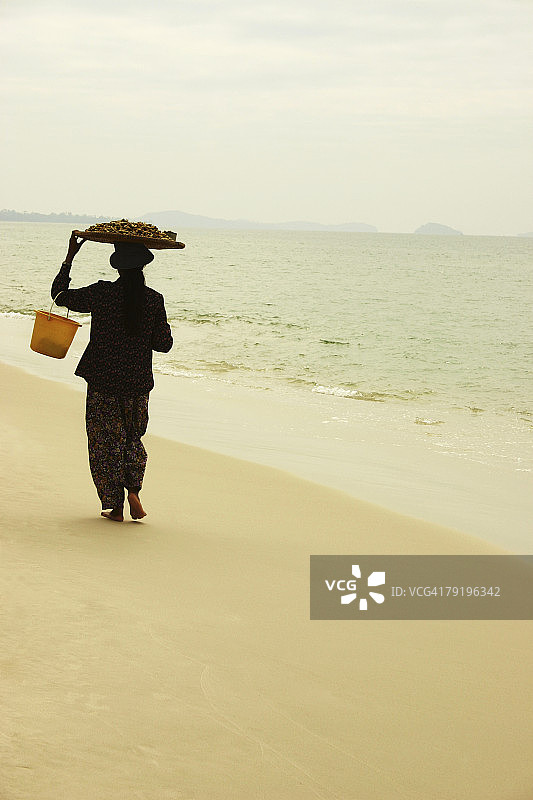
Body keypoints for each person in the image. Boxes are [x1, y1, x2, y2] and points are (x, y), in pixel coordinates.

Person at [51, 232, 173, 522]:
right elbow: (164, 344)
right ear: (143, 266)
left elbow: (59, 297)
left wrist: (70, 258)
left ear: (116, 266)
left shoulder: (102, 293)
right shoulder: (154, 300)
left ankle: (114, 505)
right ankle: (134, 490)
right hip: (137, 383)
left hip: (102, 380)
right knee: (132, 439)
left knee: (105, 443)